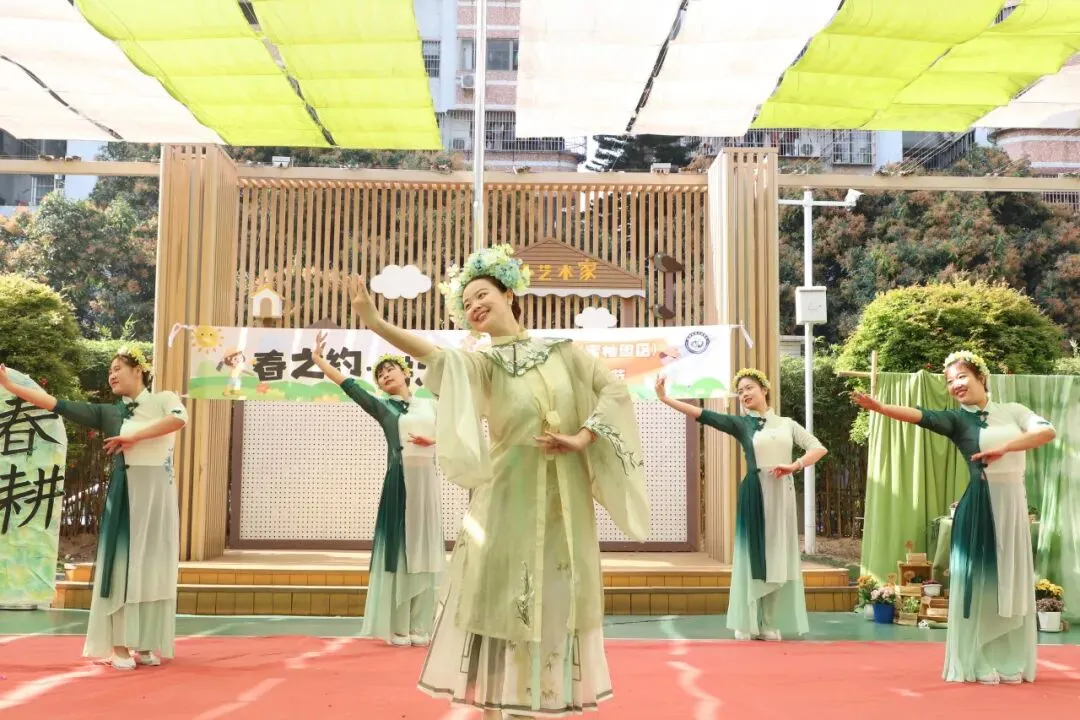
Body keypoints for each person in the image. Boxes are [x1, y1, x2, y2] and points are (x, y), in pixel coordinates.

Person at [347, 244, 650, 719]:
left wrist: (583, 436)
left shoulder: (564, 353)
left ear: (509, 294)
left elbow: (612, 389)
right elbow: (437, 356)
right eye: (466, 302)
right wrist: (377, 323)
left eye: (482, 294)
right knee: (499, 599)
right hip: (506, 496)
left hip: (564, 500)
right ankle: (494, 706)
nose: (474, 305)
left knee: (556, 596)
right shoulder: (483, 365)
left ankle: (542, 699)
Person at [852, 350, 1056, 684]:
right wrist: (882, 408)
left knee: (1011, 582)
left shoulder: (1013, 411)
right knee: (982, 585)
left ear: (981, 377)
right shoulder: (957, 420)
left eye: (962, 377)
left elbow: (1047, 432)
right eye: (949, 382)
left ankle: (1006, 657)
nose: (956, 385)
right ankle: (976, 660)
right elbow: (920, 415)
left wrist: (1005, 448)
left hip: (1013, 506)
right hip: (981, 506)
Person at [0, 348, 187, 670]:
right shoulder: (108, 413)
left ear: (138, 370)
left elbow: (178, 420)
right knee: (123, 567)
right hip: (127, 494)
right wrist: (11, 386)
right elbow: (55, 404)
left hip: (160, 496)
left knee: (155, 566)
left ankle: (146, 642)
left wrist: (134, 437)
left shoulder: (164, 399)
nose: (111, 375)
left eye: (117, 368)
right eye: (109, 371)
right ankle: (119, 646)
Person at [656, 368, 826, 641]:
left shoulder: (787, 424)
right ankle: (746, 621)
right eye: (740, 391)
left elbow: (817, 448)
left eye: (749, 388)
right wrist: (666, 399)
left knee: (778, 556)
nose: (744, 394)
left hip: (781, 494)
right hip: (755, 492)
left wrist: (794, 465)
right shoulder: (740, 424)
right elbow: (703, 414)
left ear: (764, 389)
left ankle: (768, 622)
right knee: (751, 556)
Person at [309, 332, 442, 646]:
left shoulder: (430, 404)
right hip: (400, 483)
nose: (385, 375)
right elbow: (350, 385)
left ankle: (421, 624)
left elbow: (451, 432)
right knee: (401, 551)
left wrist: (433, 440)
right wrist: (318, 361)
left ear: (405, 373)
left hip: (427, 485)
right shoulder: (383, 408)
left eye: (390, 369)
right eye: (380, 375)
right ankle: (399, 626)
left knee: (425, 552)